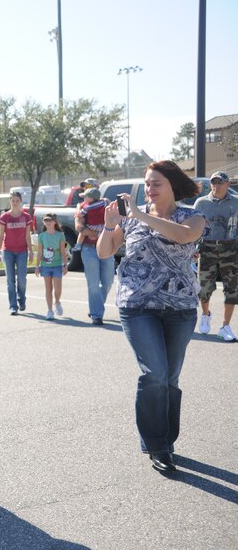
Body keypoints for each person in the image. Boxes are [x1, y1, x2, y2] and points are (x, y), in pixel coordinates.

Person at [97, 160, 205, 473]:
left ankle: (163, 440)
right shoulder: (131, 219)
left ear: (173, 185)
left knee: (169, 378)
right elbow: (105, 252)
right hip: (137, 306)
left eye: (156, 183)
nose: (149, 189)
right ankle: (159, 445)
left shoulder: (193, 217)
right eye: (147, 183)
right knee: (154, 372)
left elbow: (184, 237)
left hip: (180, 309)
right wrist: (109, 225)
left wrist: (141, 215)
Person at [194, 171, 238, 341]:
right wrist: (193, 248)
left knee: (232, 290)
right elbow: (195, 228)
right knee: (204, 288)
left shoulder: (236, 202)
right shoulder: (201, 203)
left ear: (228, 184)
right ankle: (206, 315)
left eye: (220, 183)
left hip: (231, 248)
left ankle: (225, 326)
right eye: (214, 182)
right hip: (207, 248)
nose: (216, 186)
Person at [75, 187, 115, 325]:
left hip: (107, 248)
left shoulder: (106, 203)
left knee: (108, 282)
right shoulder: (83, 207)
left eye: (85, 196)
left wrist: (98, 233)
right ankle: (97, 315)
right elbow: (79, 226)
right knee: (93, 284)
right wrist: (90, 232)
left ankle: (96, 307)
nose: (83, 198)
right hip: (89, 249)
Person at [0, 191, 33, 315]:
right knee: (10, 280)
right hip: (8, 251)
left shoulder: (26, 217)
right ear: (10, 201)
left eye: (17, 200)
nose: (15, 203)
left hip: (22, 251)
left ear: (20, 201)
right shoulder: (5, 217)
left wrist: (31, 251)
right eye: (13, 200)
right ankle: (13, 306)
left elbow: (28, 236)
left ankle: (21, 299)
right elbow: (1, 236)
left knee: (22, 279)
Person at [35, 213, 69, 320]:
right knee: (48, 288)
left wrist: (65, 265)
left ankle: (57, 301)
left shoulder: (60, 235)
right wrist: (37, 266)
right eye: (46, 220)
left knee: (57, 289)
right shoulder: (41, 236)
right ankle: (49, 310)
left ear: (54, 222)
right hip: (45, 266)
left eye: (50, 220)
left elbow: (63, 251)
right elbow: (39, 252)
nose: (48, 222)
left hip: (57, 265)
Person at [71, 187, 106, 253]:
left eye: (85, 197)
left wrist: (78, 207)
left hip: (92, 227)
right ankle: (99, 235)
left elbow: (79, 215)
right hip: (102, 226)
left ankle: (78, 245)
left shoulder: (88, 207)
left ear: (91, 198)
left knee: (82, 232)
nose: (84, 198)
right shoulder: (103, 203)